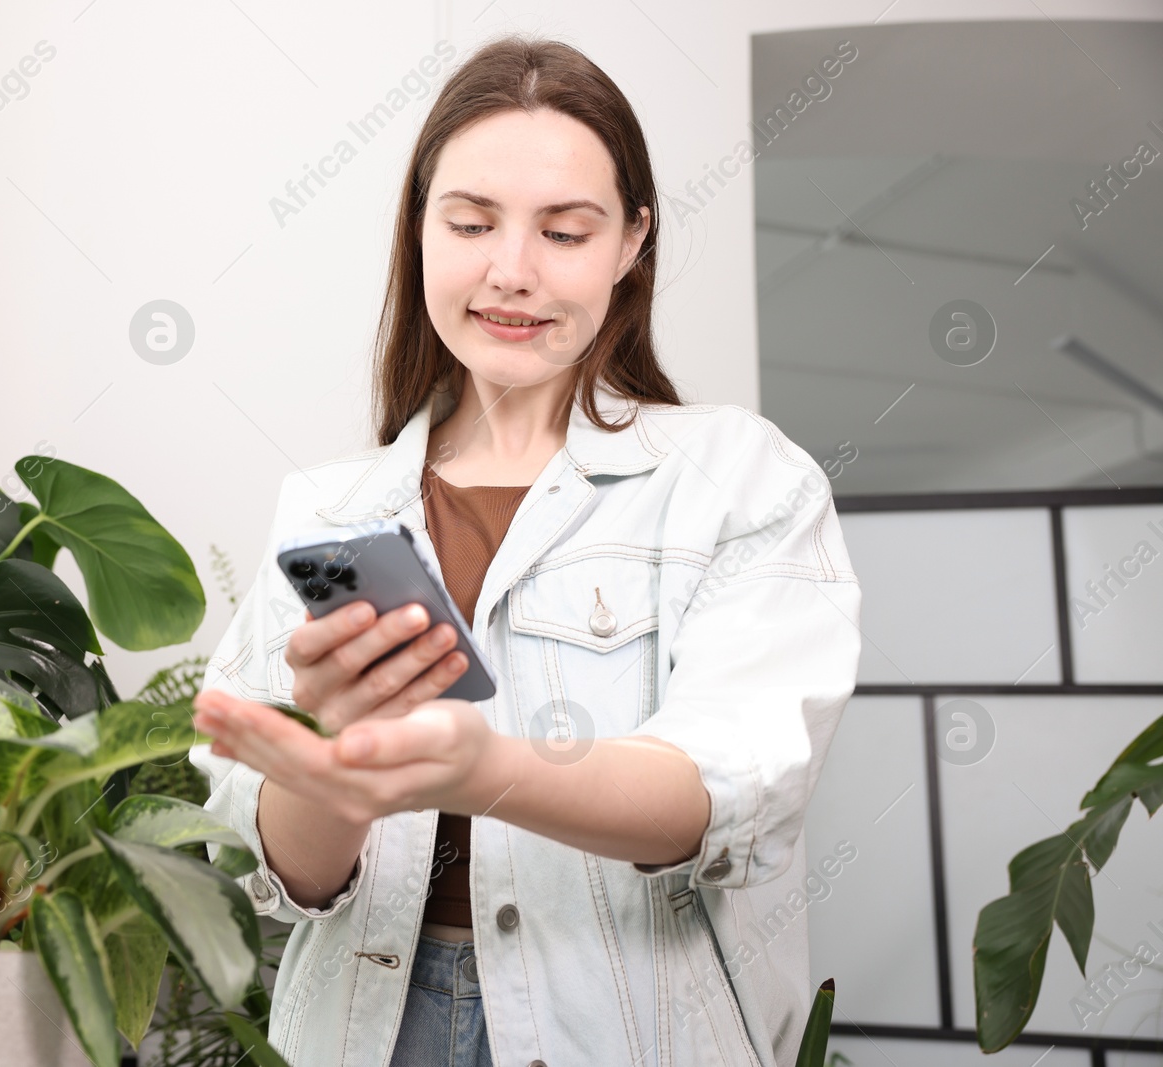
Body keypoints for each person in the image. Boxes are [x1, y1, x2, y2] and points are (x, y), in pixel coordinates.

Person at [188, 33, 862, 1067]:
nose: (511, 270)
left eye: (564, 230)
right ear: (419, 228)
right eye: (469, 222)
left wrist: (487, 767)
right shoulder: (330, 510)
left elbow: (725, 784)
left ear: (631, 243)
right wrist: (331, 760)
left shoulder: (737, 477)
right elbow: (288, 879)